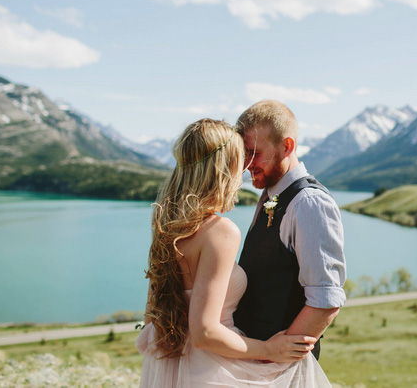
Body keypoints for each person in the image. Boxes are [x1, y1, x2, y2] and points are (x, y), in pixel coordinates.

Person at [136, 118, 333, 387]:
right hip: (214, 370)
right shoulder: (220, 231)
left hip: (173, 365)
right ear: (224, 170)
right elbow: (205, 332)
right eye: (241, 163)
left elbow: (151, 318)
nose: (246, 172)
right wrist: (269, 350)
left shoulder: (166, 227)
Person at [233, 100, 346, 360]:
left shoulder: (309, 202)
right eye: (244, 154)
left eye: (255, 153)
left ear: (287, 146)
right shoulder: (272, 194)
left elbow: (325, 300)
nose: (247, 164)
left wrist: (270, 360)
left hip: (277, 372)